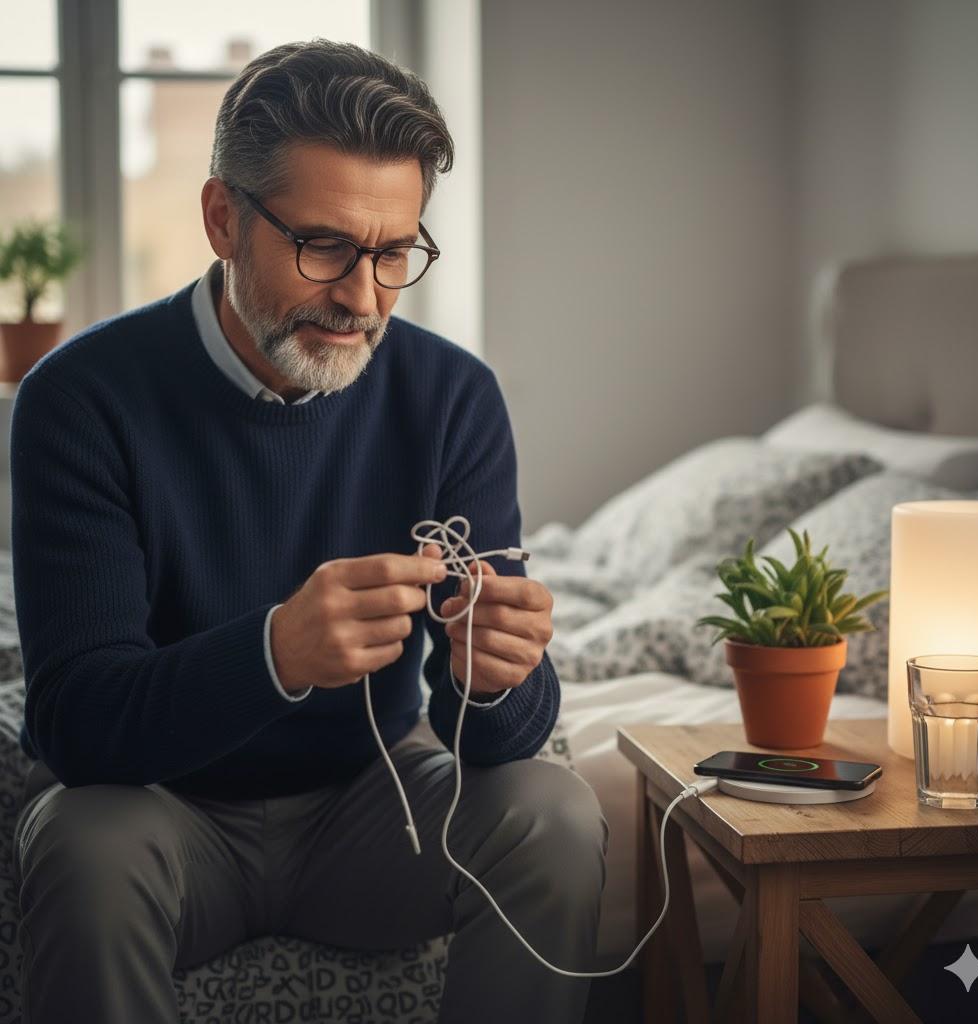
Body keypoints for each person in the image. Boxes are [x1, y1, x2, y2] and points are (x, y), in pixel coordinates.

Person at [10, 39, 608, 1024]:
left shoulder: (452, 397)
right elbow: (73, 724)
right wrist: (274, 653)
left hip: (368, 810)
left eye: (394, 253)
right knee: (79, 837)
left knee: (554, 809)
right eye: (324, 247)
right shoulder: (81, 397)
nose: (364, 298)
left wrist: (492, 673)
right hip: (162, 816)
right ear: (222, 219)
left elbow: (498, 743)